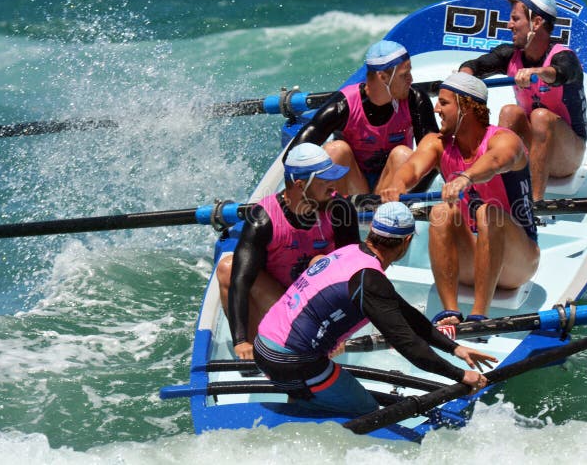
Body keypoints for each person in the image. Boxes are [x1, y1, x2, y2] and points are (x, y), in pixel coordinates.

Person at [254, 201, 497, 417]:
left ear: (372, 231)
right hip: (291, 360)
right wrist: (461, 376)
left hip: (263, 346)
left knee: (317, 394)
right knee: (368, 411)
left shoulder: (350, 253)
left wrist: (456, 349)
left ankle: (302, 401)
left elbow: (407, 316)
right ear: (407, 241)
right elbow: (408, 345)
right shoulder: (368, 280)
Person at [379, 73, 540, 326]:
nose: (436, 109)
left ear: (465, 107)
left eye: (443, 103)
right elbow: (412, 169)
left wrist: (466, 177)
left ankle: (479, 315)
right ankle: (450, 312)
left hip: (517, 264)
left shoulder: (505, 140)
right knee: (440, 213)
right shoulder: (438, 143)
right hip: (471, 260)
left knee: (489, 213)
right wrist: (397, 185)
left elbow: (497, 160)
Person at [217, 143, 361, 360]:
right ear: (300, 185)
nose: (333, 185)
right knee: (228, 268)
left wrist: (341, 330)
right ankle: (255, 351)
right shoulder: (263, 220)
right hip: (281, 300)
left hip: (321, 307)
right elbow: (240, 281)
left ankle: (309, 342)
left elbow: (357, 275)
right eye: (324, 180)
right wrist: (240, 341)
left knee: (321, 262)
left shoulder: (340, 210)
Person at [458, 0, 587, 202]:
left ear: (536, 23)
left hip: (568, 157)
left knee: (541, 116)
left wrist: (539, 73)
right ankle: (493, 195)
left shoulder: (564, 56)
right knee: (510, 112)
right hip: (534, 149)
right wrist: (464, 78)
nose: (509, 25)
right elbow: (475, 65)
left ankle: (535, 204)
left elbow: (562, 73)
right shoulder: (509, 55)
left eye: (515, 18)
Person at [285, 40, 438, 195]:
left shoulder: (415, 100)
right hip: (351, 186)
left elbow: (435, 156)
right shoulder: (343, 105)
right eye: (404, 75)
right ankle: (339, 210)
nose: (411, 80)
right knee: (336, 149)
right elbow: (292, 156)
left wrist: (413, 198)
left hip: (392, 187)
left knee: (402, 154)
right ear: (383, 77)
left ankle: (390, 211)